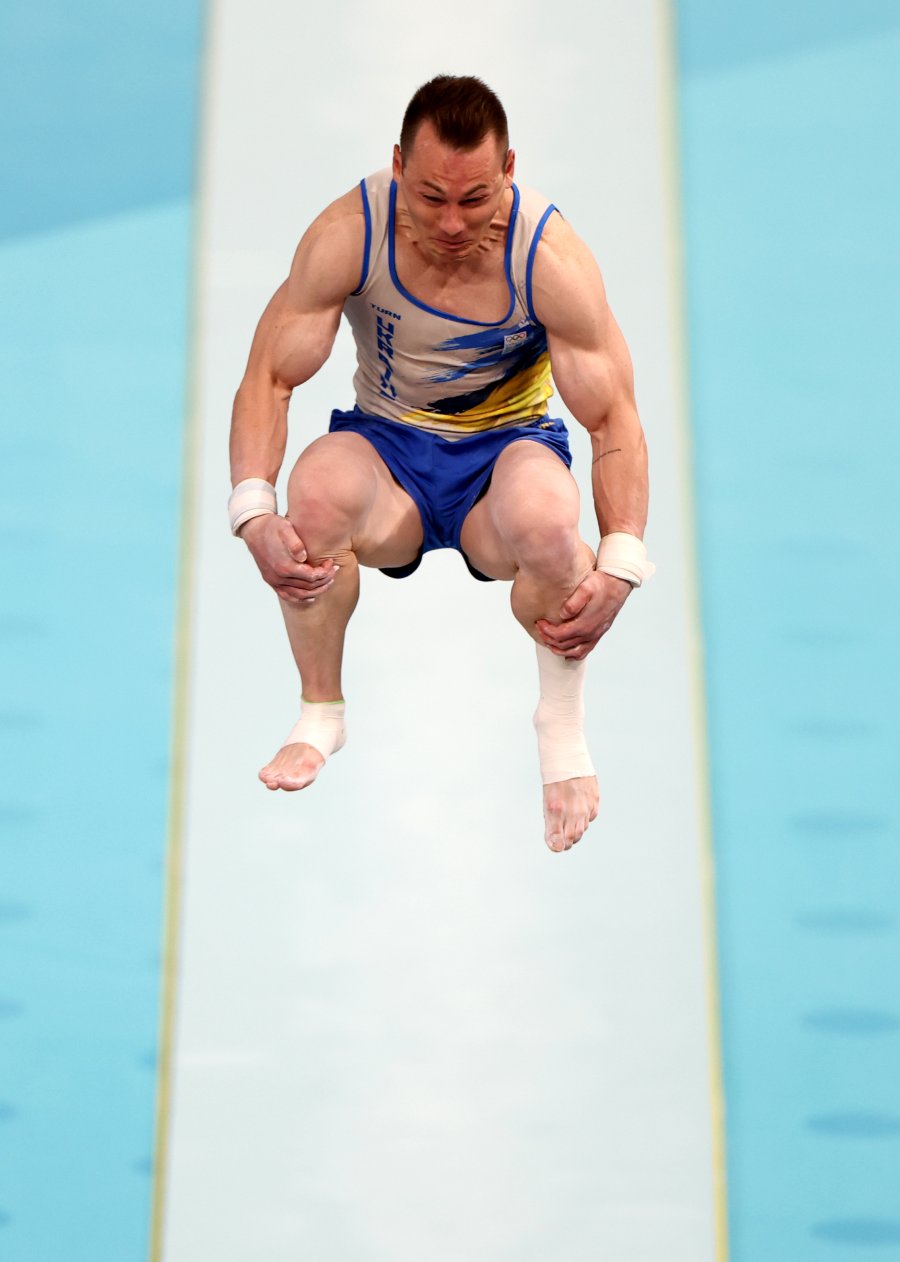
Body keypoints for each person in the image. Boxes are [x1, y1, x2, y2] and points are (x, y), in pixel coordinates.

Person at [228, 75, 653, 854]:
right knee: (311, 497)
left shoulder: (549, 257)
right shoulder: (347, 233)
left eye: (474, 199)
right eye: (429, 198)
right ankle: (321, 712)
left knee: (556, 530)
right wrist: (252, 513)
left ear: (510, 171)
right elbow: (269, 375)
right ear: (396, 166)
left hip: (505, 460)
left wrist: (621, 561)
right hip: (388, 454)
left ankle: (561, 735)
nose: (453, 223)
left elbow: (612, 414)